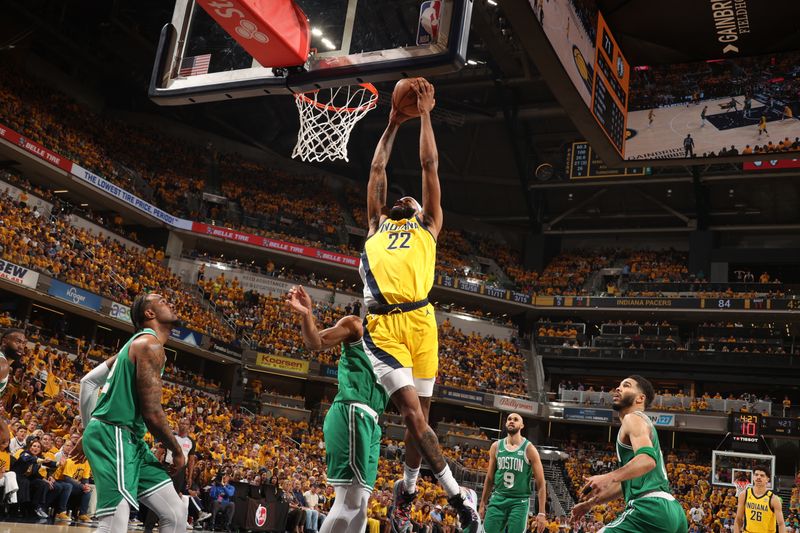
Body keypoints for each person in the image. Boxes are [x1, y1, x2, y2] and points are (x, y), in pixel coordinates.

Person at [361, 78, 479, 532]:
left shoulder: (428, 224)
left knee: (421, 421)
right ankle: (457, 498)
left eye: (410, 197)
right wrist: (392, 125)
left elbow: (429, 165)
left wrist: (426, 113)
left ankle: (407, 488)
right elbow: (376, 172)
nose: (405, 195)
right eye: (401, 196)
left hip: (422, 320)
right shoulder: (375, 225)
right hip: (384, 326)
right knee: (412, 414)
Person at [76, 293, 188, 532]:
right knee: (115, 519)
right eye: (163, 301)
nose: (171, 302)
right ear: (149, 313)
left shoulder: (133, 345)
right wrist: (177, 450)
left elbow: (87, 382)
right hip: (114, 433)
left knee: (176, 513)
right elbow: (152, 413)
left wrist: (88, 431)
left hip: (128, 439)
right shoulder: (149, 344)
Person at [286, 285, 388, 533]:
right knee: (348, 501)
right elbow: (316, 342)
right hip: (353, 411)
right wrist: (306, 314)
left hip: (372, 423)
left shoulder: (398, 346)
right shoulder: (356, 325)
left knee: (361, 506)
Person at [570, 375, 687, 533]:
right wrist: (590, 504)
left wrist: (608, 476)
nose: (618, 388)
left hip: (650, 509)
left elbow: (647, 460)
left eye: (626, 385)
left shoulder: (633, 418)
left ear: (640, 398)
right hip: (673, 512)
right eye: (619, 385)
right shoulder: (641, 425)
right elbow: (624, 484)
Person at [479, 412, 547, 533]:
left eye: (516, 419)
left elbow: (541, 484)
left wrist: (541, 512)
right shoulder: (496, 446)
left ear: (522, 426)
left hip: (519, 502)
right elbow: (489, 478)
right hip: (498, 498)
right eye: (509, 419)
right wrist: (482, 503)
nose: (512, 421)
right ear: (505, 423)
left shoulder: (529, 449)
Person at [733, 467, 786, 533]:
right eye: (756, 475)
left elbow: (781, 524)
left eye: (762, 475)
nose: (758, 477)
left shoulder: (774, 499)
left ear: (767, 479)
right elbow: (738, 519)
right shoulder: (744, 495)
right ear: (753, 477)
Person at [0, 329, 25, 451]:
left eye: (24, 343)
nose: (21, 346)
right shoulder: (2, 365)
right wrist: (3, 426)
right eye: (18, 342)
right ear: (4, 342)